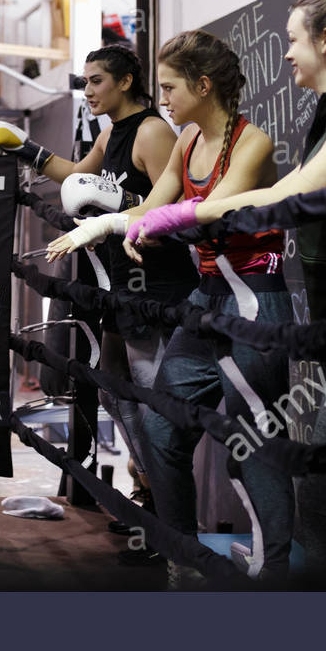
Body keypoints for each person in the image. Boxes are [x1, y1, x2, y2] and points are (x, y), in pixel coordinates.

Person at [124, 0, 326, 583]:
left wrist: (178, 215)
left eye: (295, 40)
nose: (288, 54)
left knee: (322, 500)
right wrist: (151, 215)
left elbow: (282, 196)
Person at [48, 31, 295, 584]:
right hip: (207, 298)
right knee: (161, 427)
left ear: (203, 86)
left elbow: (206, 212)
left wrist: (124, 220)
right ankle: (186, 561)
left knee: (253, 443)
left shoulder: (251, 142)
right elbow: (156, 205)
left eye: (171, 87)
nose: (164, 99)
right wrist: (109, 224)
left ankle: (275, 575)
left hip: (255, 301)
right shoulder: (185, 143)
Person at [0, 45, 197, 521]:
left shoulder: (153, 131)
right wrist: (27, 148)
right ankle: (148, 491)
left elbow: (173, 210)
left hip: (156, 285)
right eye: (85, 81)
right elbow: (77, 177)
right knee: (113, 390)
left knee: (146, 393)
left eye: (97, 80)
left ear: (124, 81)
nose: (88, 90)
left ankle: (165, 515)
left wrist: (118, 205)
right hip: (121, 281)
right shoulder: (112, 132)